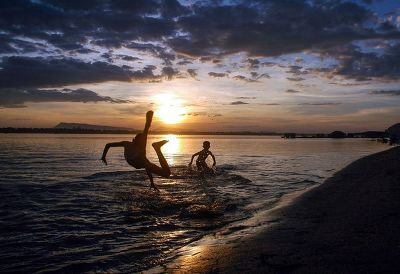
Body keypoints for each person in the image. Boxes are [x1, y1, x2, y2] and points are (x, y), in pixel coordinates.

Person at [100, 110, 170, 190]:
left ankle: (157, 148)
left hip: (136, 160)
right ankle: (157, 148)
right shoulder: (129, 145)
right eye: (141, 141)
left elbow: (147, 166)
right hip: (135, 159)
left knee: (166, 173)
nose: (142, 142)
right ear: (136, 140)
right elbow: (108, 145)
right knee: (166, 173)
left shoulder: (131, 146)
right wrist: (103, 156)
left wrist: (152, 182)